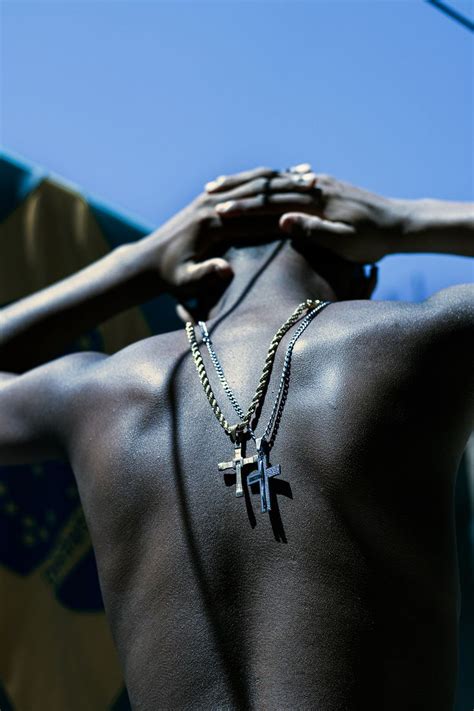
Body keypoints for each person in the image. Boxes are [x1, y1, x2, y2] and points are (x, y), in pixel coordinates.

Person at [1, 164, 472, 710]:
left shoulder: (94, 395)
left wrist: (138, 264)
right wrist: (407, 221)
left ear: (188, 289)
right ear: (363, 276)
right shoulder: (416, 345)